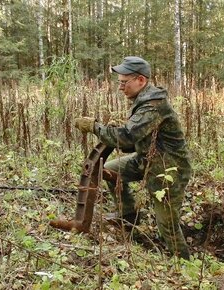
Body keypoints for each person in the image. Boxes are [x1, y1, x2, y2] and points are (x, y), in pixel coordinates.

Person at [74, 56, 192, 260]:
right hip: (146, 160)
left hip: (168, 169)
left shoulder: (153, 104)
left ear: (141, 80)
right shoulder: (142, 100)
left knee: (167, 226)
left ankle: (183, 264)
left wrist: (94, 127)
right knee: (107, 170)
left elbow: (127, 136)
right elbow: (130, 143)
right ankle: (128, 213)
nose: (120, 88)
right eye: (119, 82)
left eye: (123, 82)